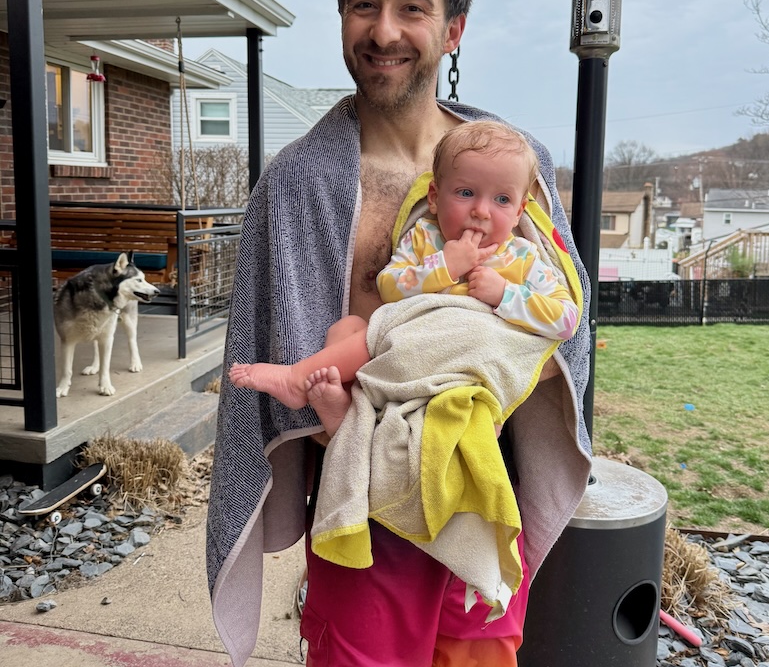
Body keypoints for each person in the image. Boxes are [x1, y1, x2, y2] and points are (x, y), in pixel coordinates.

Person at [206, 0, 593, 667]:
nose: (385, 30)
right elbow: (274, 334)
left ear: (452, 26)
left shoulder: (511, 166)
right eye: (363, 3)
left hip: (481, 492)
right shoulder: (299, 180)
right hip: (365, 520)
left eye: (412, 7)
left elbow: (564, 317)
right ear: (342, 15)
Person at [227, 119, 580, 439]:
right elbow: (389, 288)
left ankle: (298, 378)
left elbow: (566, 319)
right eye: (466, 193)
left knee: (378, 338)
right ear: (435, 197)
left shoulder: (521, 258)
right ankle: (347, 418)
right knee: (347, 328)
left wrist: (504, 295)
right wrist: (445, 266)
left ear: (519, 211)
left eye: (502, 199)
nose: (481, 210)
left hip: (460, 370)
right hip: (404, 355)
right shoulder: (425, 238)